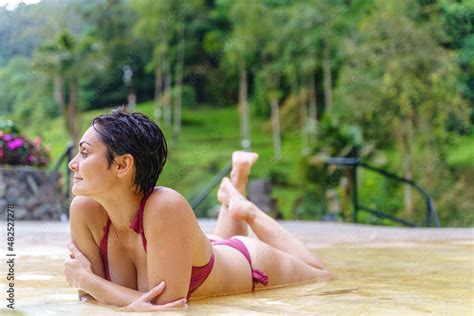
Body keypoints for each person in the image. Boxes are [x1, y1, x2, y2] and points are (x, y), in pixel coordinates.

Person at [64, 110, 332, 312]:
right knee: (214, 248)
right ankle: (235, 189)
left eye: (85, 153)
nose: (73, 164)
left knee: (322, 276)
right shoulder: (85, 210)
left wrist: (87, 280)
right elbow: (88, 301)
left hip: (250, 264)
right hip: (197, 251)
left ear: (122, 165)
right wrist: (90, 287)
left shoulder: (165, 206)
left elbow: (167, 310)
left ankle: (245, 209)